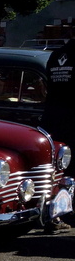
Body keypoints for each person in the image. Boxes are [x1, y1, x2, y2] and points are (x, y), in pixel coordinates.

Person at [40, 28, 75, 232]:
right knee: (70, 171)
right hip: (72, 119)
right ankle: (62, 212)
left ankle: (50, 213)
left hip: (52, 118)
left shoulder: (55, 56)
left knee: (54, 170)